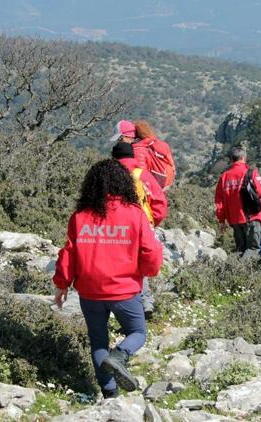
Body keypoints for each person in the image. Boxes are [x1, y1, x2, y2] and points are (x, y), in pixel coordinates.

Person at [53, 159, 163, 398]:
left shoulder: (80, 216)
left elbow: (69, 253)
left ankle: (109, 393)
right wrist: (148, 272)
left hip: (90, 292)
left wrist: (62, 285)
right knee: (138, 333)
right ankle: (120, 356)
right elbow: (150, 253)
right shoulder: (134, 214)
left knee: (98, 341)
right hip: (124, 290)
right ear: (123, 183)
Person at [111, 141, 167, 319]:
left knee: (120, 267)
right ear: (132, 156)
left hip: (115, 227)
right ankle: (145, 303)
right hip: (141, 226)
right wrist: (152, 222)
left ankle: (127, 306)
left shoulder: (108, 176)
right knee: (140, 266)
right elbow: (159, 202)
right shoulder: (142, 174)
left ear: (114, 157)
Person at [214, 147, 261, 255]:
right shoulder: (251, 173)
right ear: (243, 158)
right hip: (251, 217)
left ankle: (235, 269)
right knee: (253, 249)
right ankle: (241, 270)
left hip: (234, 220)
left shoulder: (224, 177)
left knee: (240, 250)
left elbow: (219, 202)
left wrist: (221, 220)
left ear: (231, 159)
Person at [133, 120, 176, 191]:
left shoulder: (139, 150)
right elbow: (172, 165)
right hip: (167, 181)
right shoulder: (163, 144)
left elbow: (142, 174)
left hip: (153, 185)